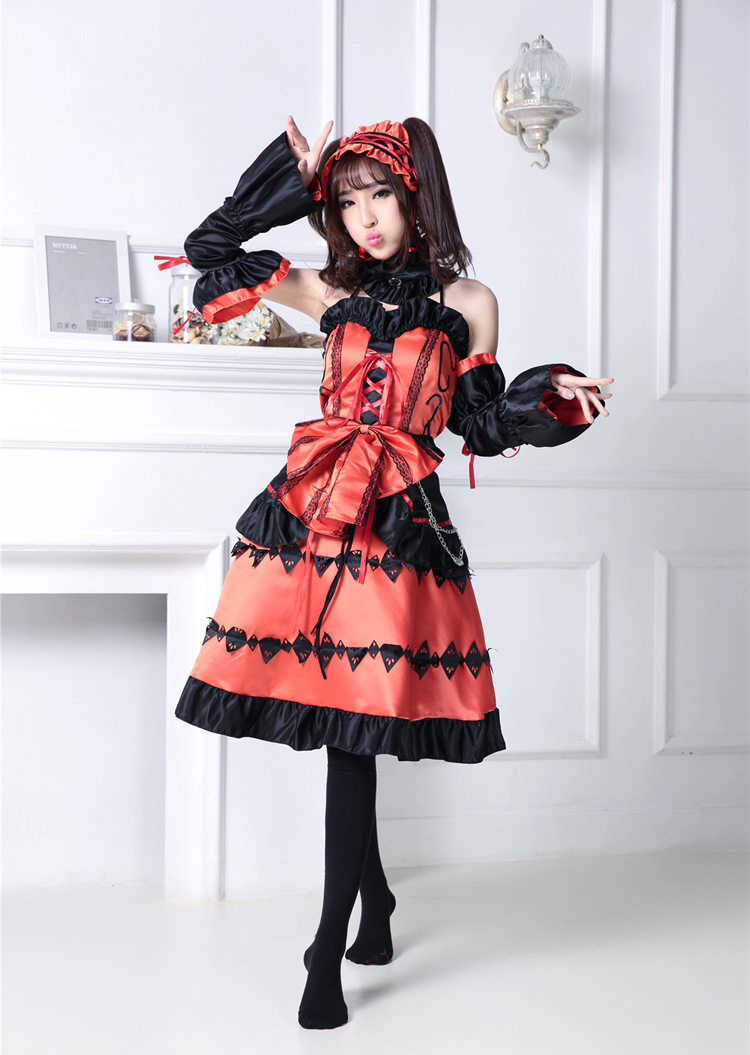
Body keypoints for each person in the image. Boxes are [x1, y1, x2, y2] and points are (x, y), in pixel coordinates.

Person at [175, 115, 613, 1029]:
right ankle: (371, 903)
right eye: (346, 202)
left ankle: (327, 945)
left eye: (380, 195)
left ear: (417, 197)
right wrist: (288, 182)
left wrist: (552, 396)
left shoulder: (469, 302)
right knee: (345, 728)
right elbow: (209, 253)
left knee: (356, 731)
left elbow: (478, 425)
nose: (366, 217)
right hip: (308, 517)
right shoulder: (326, 287)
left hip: (397, 529)